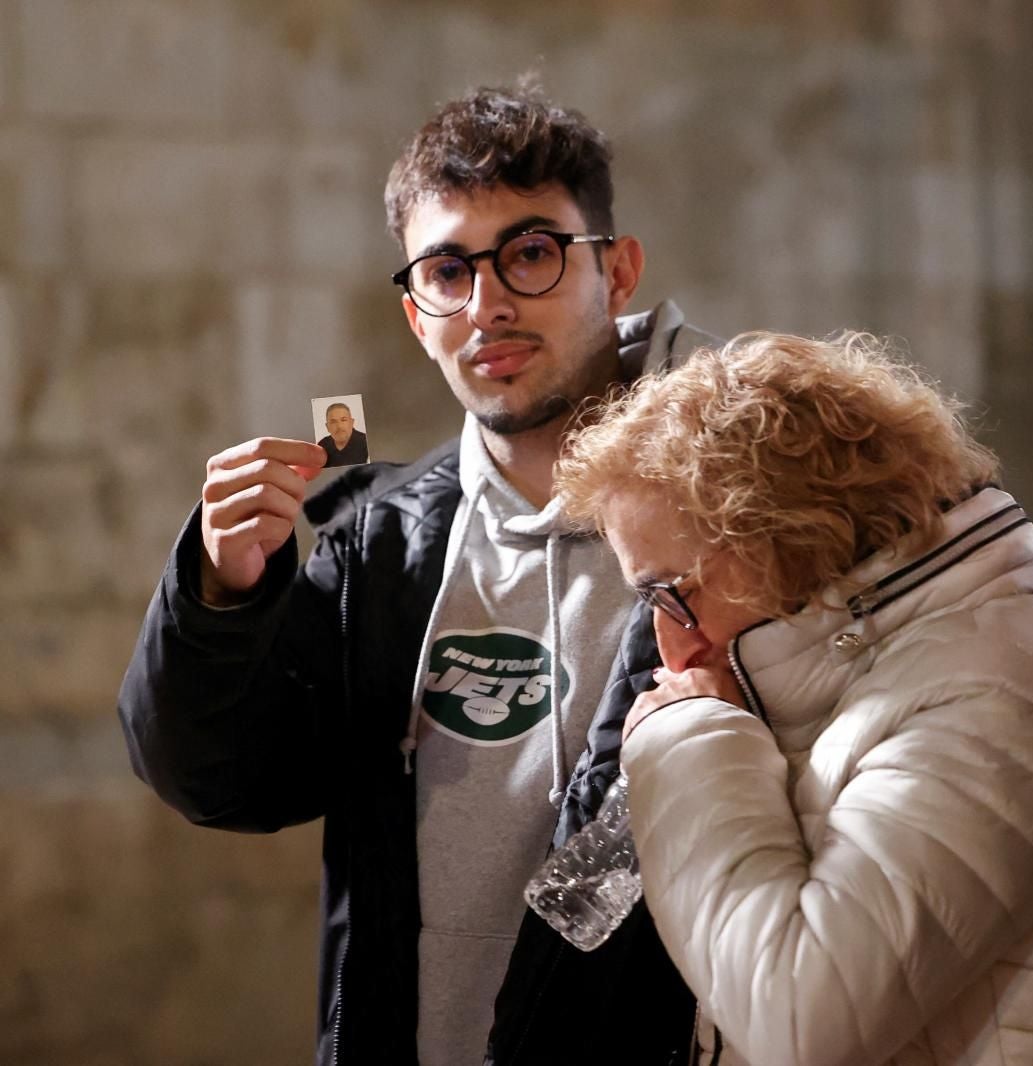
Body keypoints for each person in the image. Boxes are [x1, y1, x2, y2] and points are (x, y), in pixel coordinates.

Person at [117, 82, 718, 1065]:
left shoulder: (745, 509)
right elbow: (224, 781)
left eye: (531, 253)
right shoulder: (379, 545)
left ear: (617, 271)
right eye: (448, 270)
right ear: (415, 314)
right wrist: (220, 596)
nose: (488, 304)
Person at [553, 331, 1033, 1066]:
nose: (664, 641)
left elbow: (796, 1022)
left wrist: (686, 741)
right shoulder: (845, 685)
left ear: (776, 539)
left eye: (667, 593)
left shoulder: (996, 694)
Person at [317, 402, 369, 466]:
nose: (339, 426)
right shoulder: (322, 446)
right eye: (333, 422)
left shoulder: (366, 442)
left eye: (343, 420)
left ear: (352, 422)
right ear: (327, 427)